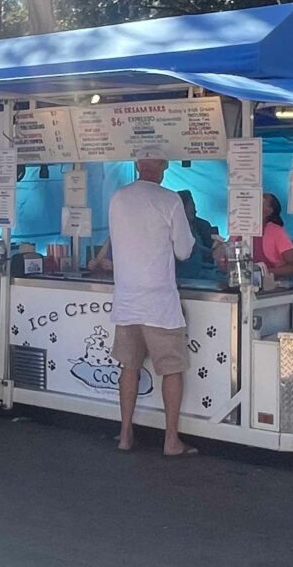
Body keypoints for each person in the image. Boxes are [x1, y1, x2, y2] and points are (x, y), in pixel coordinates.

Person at [109, 146, 197, 456]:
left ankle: (124, 435)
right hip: (159, 301)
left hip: (126, 299)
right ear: (163, 166)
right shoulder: (170, 200)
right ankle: (171, 441)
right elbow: (184, 251)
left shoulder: (118, 198)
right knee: (171, 370)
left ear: (136, 164)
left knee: (128, 367)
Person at [253, 193, 293, 278]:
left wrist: (262, 273)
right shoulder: (237, 230)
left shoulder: (276, 232)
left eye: (262, 200)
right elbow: (226, 265)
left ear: (268, 211)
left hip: (272, 287)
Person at [175, 190, 218, 279]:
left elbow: (204, 250)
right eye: (191, 206)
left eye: (194, 206)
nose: (195, 210)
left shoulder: (201, 225)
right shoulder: (175, 228)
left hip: (200, 269)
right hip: (187, 275)